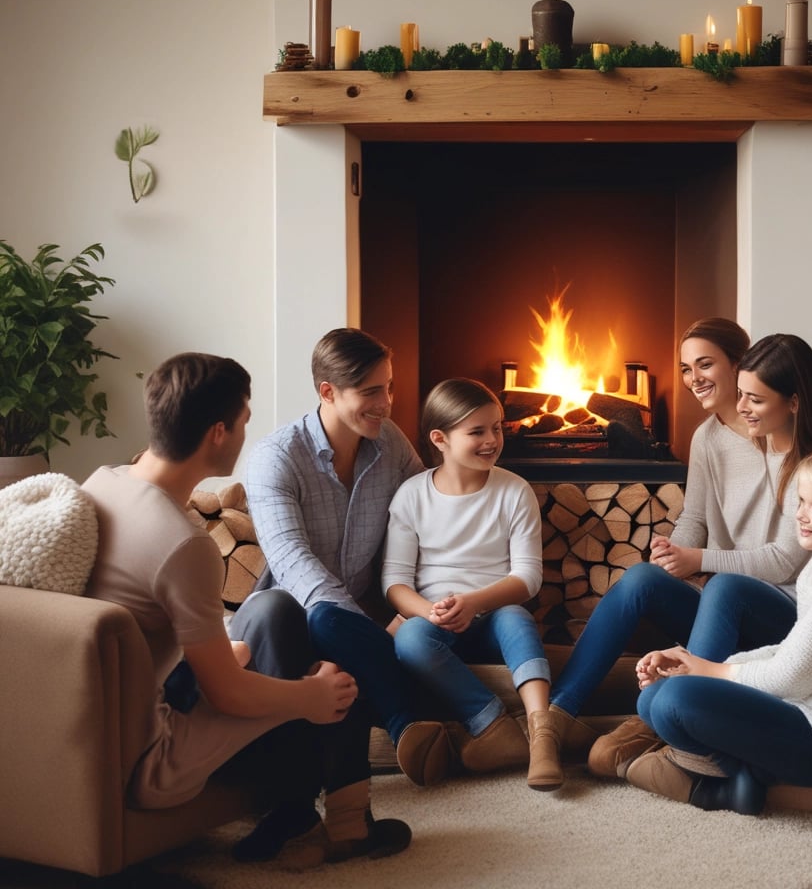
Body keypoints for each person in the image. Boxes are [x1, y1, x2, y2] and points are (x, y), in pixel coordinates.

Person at [83, 352, 411, 869]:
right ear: (219, 433)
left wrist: (234, 657)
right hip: (156, 758)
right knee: (330, 678)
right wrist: (308, 696)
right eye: (243, 422)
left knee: (274, 610)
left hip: (129, 709)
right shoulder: (181, 543)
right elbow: (228, 693)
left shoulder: (103, 484)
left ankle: (300, 818)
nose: (246, 436)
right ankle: (340, 818)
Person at [546, 328, 812, 780]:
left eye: (704, 365)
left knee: (725, 586)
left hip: (777, 610)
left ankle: (664, 719)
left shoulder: (801, 453)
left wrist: (700, 560)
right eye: (686, 368)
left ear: (739, 365)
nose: (693, 378)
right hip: (726, 604)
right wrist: (673, 550)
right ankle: (553, 721)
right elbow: (696, 517)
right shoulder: (709, 437)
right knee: (641, 579)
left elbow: (785, 561)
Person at [624, 443, 812, 816]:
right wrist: (689, 662)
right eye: (801, 502)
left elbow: (789, 677)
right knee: (653, 699)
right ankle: (741, 782)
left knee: (673, 700)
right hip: (811, 706)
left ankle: (722, 784)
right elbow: (787, 651)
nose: (801, 517)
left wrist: (704, 670)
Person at [243, 328, 453, 788]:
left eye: (390, 387)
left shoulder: (390, 443)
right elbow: (293, 562)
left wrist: (413, 603)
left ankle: (426, 729)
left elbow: (428, 515)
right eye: (371, 391)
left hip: (369, 615)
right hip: (290, 624)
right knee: (326, 617)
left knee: (346, 625)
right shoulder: (275, 458)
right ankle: (408, 721)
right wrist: (368, 627)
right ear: (327, 391)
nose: (387, 403)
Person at [383, 378, 561, 790]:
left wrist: (474, 603)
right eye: (476, 431)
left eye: (497, 428)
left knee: (517, 618)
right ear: (440, 439)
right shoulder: (411, 496)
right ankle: (493, 725)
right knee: (409, 639)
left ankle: (543, 734)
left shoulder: (513, 491)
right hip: (437, 622)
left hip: (494, 614)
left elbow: (528, 577)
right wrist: (431, 612)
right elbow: (394, 582)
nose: (491, 440)